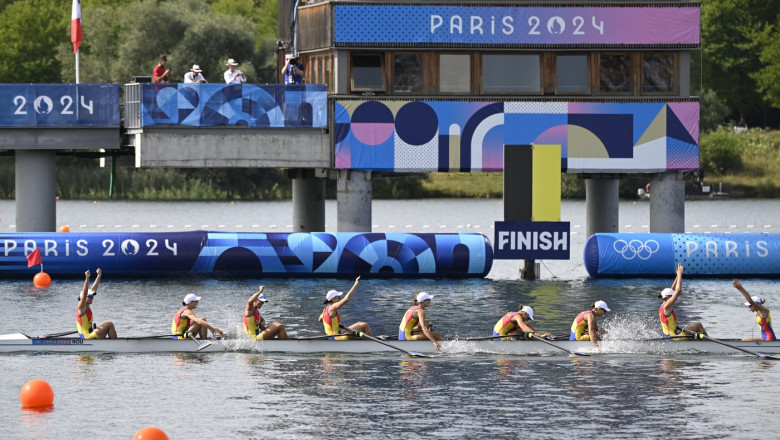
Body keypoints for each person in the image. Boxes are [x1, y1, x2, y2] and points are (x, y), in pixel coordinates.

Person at [658, 264, 707, 339]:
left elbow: (672, 289)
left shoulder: (663, 305)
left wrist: (677, 277)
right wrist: (680, 274)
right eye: (672, 295)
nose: (673, 296)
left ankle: (698, 339)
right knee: (698, 325)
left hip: (669, 336)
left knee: (691, 331)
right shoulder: (667, 306)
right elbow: (678, 290)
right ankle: (708, 343)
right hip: (675, 338)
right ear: (668, 297)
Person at [76, 268, 117, 339]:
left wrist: (99, 275)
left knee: (107, 325)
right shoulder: (81, 307)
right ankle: (117, 345)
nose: (92, 298)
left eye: (92, 296)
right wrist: (87, 278)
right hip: (87, 337)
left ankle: (113, 343)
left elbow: (93, 289)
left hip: (90, 334)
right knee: (109, 324)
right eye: (90, 296)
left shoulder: (87, 305)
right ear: (84, 297)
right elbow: (85, 292)